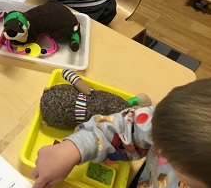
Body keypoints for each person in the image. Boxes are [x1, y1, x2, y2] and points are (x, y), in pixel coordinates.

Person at [31, 78, 211, 188]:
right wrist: (72, 149)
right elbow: (125, 127)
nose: (154, 150)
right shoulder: (175, 121)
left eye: (174, 162)